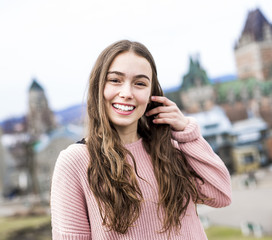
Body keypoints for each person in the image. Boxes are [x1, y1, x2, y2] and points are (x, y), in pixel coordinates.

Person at [50, 40, 232, 239]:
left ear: (151, 94)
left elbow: (221, 194)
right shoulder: (75, 161)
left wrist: (187, 132)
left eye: (140, 83)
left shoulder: (170, 150)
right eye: (115, 80)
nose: (127, 93)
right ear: (98, 87)